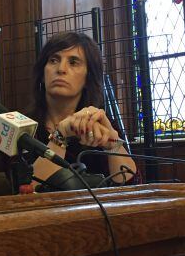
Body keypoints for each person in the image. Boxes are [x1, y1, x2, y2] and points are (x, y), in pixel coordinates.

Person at [29, 32, 137, 187]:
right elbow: (28, 190)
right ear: (42, 73)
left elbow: (133, 189)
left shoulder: (100, 125)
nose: (61, 69)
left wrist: (113, 144)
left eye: (73, 62)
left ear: (88, 78)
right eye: (53, 60)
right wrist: (60, 136)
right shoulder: (24, 126)